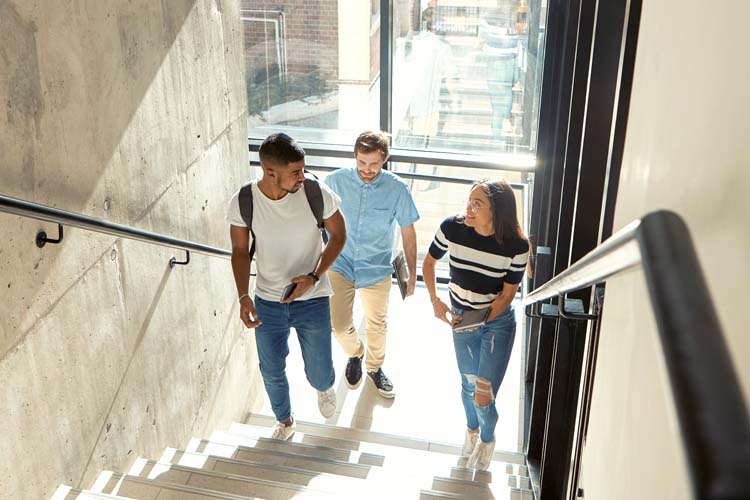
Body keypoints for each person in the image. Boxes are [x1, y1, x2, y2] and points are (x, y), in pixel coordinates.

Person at [227, 133, 347, 440]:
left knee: (319, 371)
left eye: (303, 169)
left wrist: (314, 276)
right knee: (271, 369)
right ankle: (285, 420)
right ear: (270, 173)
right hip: (268, 301)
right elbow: (240, 251)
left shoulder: (314, 192)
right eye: (295, 172)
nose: (302, 176)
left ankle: (323, 389)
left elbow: (339, 236)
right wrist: (243, 296)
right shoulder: (244, 201)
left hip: (313, 299)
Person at [422, 179, 529, 470]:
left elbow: (507, 295)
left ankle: (488, 438)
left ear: (497, 211)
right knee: (468, 386)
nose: (468, 209)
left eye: (477, 204)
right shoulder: (451, 228)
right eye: (468, 201)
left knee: (484, 392)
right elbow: (428, 263)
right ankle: (471, 431)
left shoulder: (517, 246)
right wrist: (435, 301)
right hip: (460, 318)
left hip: (496, 322)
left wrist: (477, 321)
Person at [324, 131, 420, 398]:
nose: (367, 170)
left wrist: (413, 274)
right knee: (339, 325)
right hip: (340, 262)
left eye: (374, 164)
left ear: (384, 160)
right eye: (362, 162)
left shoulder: (397, 189)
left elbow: (408, 232)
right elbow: (314, 217)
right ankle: (355, 353)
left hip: (376, 266)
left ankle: (375, 368)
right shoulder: (334, 181)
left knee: (378, 323)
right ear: (355, 157)